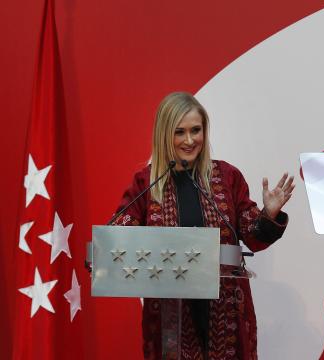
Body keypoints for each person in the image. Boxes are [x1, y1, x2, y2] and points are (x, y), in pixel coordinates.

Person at [112, 92, 294, 360]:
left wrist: (268, 212)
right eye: (180, 132)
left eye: (196, 130)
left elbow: (252, 235)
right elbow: (120, 237)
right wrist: (112, 245)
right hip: (169, 320)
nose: (189, 140)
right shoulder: (146, 183)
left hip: (226, 315)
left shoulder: (227, 176)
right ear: (165, 134)